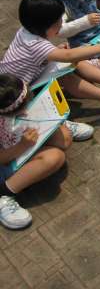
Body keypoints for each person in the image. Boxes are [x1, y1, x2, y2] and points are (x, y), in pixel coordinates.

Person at [0, 0, 100, 113]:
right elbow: (68, 56)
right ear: (45, 26)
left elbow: (34, 56)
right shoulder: (36, 44)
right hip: (16, 94)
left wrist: (56, 52)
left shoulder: (26, 31)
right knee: (66, 72)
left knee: (73, 60)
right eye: (58, 22)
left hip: (20, 78)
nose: (61, 24)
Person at [0, 74, 73, 229]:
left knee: (64, 137)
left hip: (13, 141)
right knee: (54, 157)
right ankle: (4, 192)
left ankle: (54, 119)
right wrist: (21, 146)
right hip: (5, 160)